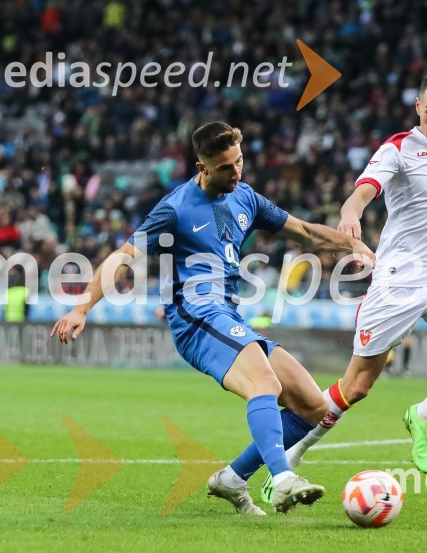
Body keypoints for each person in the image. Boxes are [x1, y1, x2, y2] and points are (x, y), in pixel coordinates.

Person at [51, 122, 375, 515]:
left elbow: (306, 232)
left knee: (311, 406)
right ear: (202, 168)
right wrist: (82, 306)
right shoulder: (175, 208)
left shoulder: (246, 198)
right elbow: (124, 257)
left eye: (239, 161)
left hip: (227, 315)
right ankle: (284, 477)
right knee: (264, 382)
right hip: (195, 319)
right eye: (226, 168)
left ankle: (233, 479)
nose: (237, 173)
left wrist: (353, 243)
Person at [262, 72, 427, 501]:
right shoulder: (398, 148)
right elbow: (364, 190)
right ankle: (293, 454)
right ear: (418, 106)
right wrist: (352, 211)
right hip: (398, 278)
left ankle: (425, 414)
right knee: (355, 387)